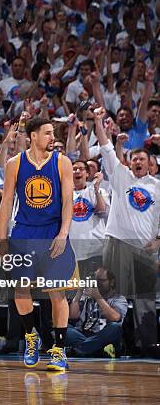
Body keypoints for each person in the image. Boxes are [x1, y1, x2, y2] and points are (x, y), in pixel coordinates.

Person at [0, 116, 76, 372]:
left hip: (52, 230)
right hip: (24, 232)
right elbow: (6, 203)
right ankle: (31, 336)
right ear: (33, 136)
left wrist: (63, 233)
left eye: (53, 133)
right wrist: (2, 240)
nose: (53, 138)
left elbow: (67, 202)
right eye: (48, 133)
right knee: (20, 291)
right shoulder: (15, 163)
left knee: (57, 293)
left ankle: (59, 350)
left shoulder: (62, 162)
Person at [94, 108, 160, 357]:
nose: (139, 162)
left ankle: (148, 346)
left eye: (143, 160)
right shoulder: (121, 176)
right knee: (112, 294)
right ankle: (111, 344)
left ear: (151, 165)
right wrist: (99, 121)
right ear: (129, 162)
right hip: (117, 242)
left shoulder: (158, 186)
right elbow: (104, 144)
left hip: (144, 248)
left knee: (145, 300)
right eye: (135, 159)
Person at [67, 267, 127, 357]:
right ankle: (96, 350)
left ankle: (81, 349)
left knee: (115, 328)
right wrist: (78, 293)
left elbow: (115, 317)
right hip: (84, 334)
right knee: (65, 328)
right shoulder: (86, 296)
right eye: (96, 280)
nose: (98, 283)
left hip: (104, 335)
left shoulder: (119, 299)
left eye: (102, 280)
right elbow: (72, 316)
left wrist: (98, 297)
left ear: (112, 282)